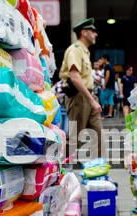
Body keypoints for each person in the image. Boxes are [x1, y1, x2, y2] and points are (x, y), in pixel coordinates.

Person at [59, 18, 104, 160]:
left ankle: (99, 170)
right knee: (75, 140)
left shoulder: (85, 52)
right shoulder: (75, 50)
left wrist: (92, 100)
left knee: (98, 136)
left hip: (89, 97)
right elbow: (74, 76)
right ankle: (53, 162)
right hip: (79, 98)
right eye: (93, 31)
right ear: (84, 32)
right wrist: (91, 101)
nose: (96, 34)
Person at [99, 54, 115, 118]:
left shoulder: (107, 66)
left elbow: (107, 76)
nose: (102, 60)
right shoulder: (111, 66)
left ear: (105, 59)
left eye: (102, 59)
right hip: (112, 86)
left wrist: (104, 85)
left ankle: (104, 112)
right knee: (110, 99)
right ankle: (110, 113)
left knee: (102, 98)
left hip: (107, 86)